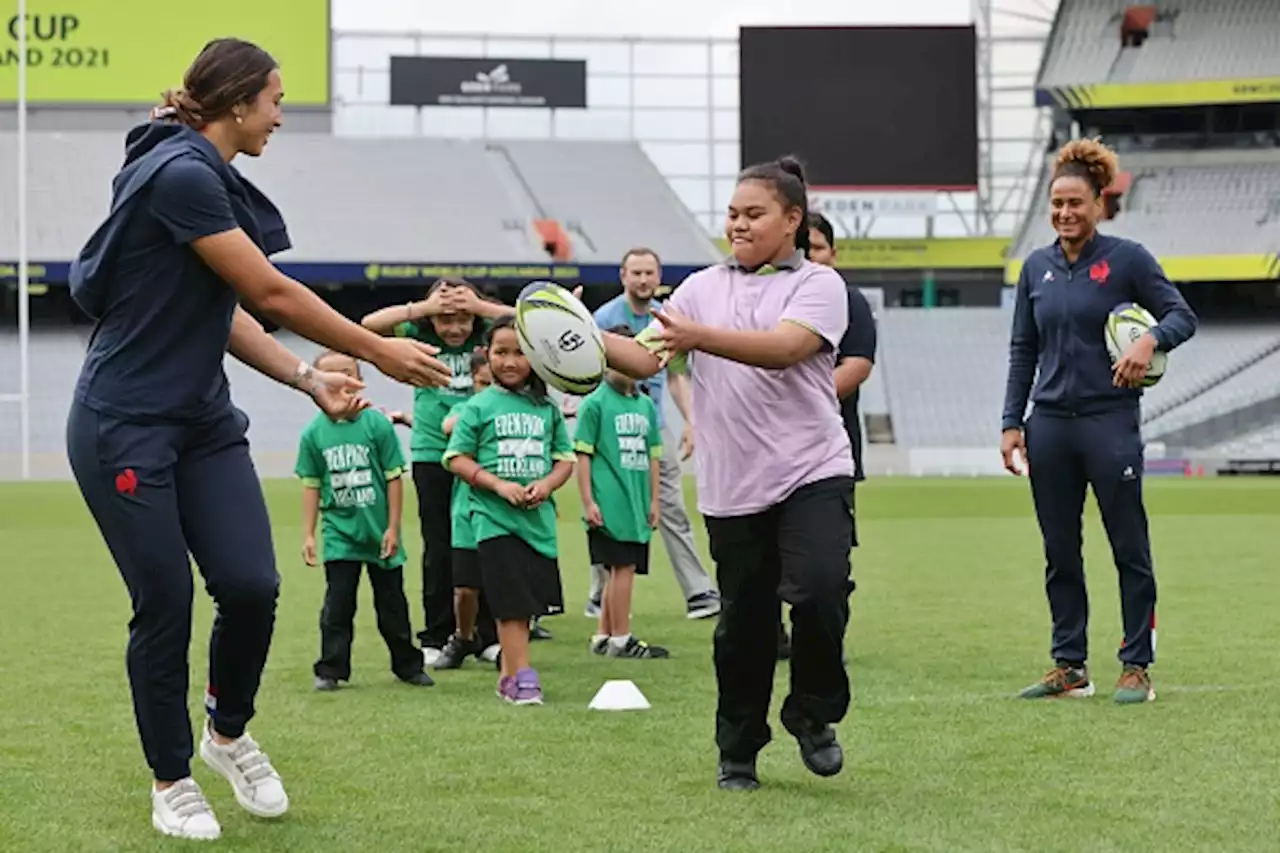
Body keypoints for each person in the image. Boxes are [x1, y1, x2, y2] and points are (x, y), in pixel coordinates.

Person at [64, 38, 450, 841]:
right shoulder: (180, 175)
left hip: (201, 420)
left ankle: (226, 732)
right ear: (237, 102)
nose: (280, 115)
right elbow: (269, 289)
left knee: (250, 584)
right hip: (124, 422)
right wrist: (378, 347)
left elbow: (227, 311)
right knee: (165, 599)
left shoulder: (196, 176)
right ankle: (172, 778)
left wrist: (307, 378)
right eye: (275, 99)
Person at [602, 156, 854, 791]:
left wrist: (696, 336)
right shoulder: (699, 289)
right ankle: (738, 750)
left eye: (754, 214)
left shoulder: (819, 284)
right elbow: (641, 355)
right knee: (745, 625)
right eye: (733, 214)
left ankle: (811, 713)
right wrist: (574, 334)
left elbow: (787, 349)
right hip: (734, 485)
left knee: (823, 591)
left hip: (813, 468)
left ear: (792, 220)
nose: (737, 225)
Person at [1001, 138, 1197, 705]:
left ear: (1098, 204)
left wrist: (1150, 343)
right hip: (1050, 426)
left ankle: (1137, 665)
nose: (1065, 213)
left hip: (1110, 423)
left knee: (1128, 546)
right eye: (1057, 203)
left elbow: (1183, 315)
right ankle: (1070, 665)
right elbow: (1022, 349)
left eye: (1076, 203)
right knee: (1059, 550)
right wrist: (1012, 421)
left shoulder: (1129, 259)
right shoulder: (1035, 268)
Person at [361, 280, 513, 661]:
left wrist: (479, 307)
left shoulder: (487, 334)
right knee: (439, 546)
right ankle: (436, 635)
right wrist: (422, 308)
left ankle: (487, 635)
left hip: (483, 454)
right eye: (445, 320)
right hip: (433, 453)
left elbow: (522, 323)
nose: (455, 328)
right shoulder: (418, 332)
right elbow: (368, 326)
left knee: (487, 543)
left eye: (463, 319)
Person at [443, 317, 576, 704]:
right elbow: (456, 458)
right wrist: (499, 485)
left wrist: (547, 485)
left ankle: (506, 677)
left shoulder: (546, 408)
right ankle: (524, 677)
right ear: (487, 355)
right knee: (510, 603)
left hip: (538, 523)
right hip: (493, 520)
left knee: (528, 605)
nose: (510, 361)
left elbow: (564, 459)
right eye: (501, 352)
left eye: (520, 353)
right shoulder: (477, 406)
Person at [586, 248, 721, 621]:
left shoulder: (668, 317)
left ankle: (698, 592)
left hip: (652, 424)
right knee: (607, 511)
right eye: (636, 273)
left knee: (673, 507)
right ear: (623, 276)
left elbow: (677, 376)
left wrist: (692, 421)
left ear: (658, 275)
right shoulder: (605, 318)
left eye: (650, 272)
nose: (643, 279)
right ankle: (600, 595)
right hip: (610, 427)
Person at [773, 213, 878, 661]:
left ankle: (820, 637)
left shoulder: (849, 301)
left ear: (833, 254)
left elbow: (857, 364)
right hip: (766, 447)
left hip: (827, 450)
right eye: (800, 248)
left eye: (815, 248)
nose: (807, 257)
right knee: (763, 550)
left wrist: (802, 397)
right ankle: (770, 635)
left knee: (825, 554)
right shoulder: (769, 298)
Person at [298, 351, 435, 691]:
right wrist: (309, 534)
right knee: (338, 606)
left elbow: (393, 478)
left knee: (392, 605)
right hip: (341, 534)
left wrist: (393, 527)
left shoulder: (377, 424)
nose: (341, 383)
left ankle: (408, 665)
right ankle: (330, 669)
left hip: (379, 534)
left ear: (359, 380)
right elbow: (312, 484)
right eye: (331, 376)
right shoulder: (313, 433)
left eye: (348, 374)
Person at [575, 327, 670, 659]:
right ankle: (621, 638)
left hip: (636, 504)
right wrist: (588, 501)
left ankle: (603, 635)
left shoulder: (645, 406)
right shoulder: (595, 404)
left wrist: (655, 501)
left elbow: (653, 457)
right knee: (620, 568)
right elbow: (583, 455)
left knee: (621, 568)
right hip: (609, 502)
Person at [434, 349, 502, 669]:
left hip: (507, 509)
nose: (487, 389)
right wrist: (485, 408)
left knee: (505, 581)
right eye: (481, 383)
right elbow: (448, 425)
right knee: (464, 587)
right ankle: (463, 636)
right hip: (467, 508)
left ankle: (500, 640)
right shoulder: (467, 409)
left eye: (494, 383)